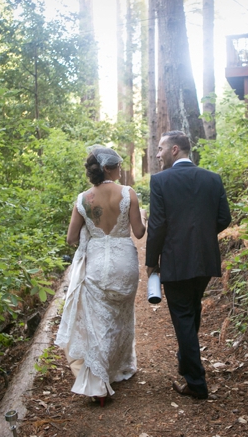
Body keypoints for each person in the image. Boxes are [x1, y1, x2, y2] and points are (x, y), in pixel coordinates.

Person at [55, 145, 146, 406]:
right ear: (107, 168)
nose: (121, 169)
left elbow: (71, 238)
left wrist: (91, 233)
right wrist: (140, 216)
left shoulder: (83, 199)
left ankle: (98, 380)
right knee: (121, 318)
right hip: (123, 263)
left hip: (95, 263)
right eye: (118, 165)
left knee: (97, 322)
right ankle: (118, 368)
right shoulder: (128, 194)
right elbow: (138, 233)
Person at [145, 131, 231, 399]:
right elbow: (224, 218)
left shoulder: (160, 181)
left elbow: (157, 226)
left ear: (174, 150)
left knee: (183, 317)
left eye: (160, 149)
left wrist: (151, 262)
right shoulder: (212, 179)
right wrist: (202, 236)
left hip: (176, 260)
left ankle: (196, 383)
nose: (157, 154)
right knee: (191, 310)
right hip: (205, 259)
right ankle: (186, 361)